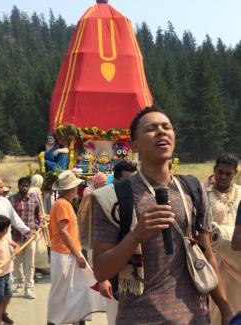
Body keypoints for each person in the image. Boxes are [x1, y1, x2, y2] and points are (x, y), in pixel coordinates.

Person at [92, 107, 232, 324]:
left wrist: (225, 310)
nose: (161, 132)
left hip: (195, 316)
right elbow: (101, 270)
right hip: (139, 317)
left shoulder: (192, 189)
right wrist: (135, 235)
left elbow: (206, 255)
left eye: (166, 127)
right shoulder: (113, 197)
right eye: (151, 129)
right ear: (136, 146)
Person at [47, 170, 106, 325]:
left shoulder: (63, 203)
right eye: (75, 187)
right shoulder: (62, 204)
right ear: (71, 188)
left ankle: (77, 319)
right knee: (61, 292)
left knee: (78, 289)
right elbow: (63, 232)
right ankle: (54, 321)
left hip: (67, 252)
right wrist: (77, 254)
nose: (77, 190)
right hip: (65, 253)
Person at [206, 153, 241, 324]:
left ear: (235, 173)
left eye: (228, 173)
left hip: (239, 259)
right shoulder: (204, 196)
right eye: (220, 172)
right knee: (218, 308)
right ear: (214, 170)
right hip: (217, 260)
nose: (223, 177)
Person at [9, 177, 42, 299]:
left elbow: (39, 216)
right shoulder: (11, 200)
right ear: (18, 186)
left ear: (29, 186)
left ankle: (28, 288)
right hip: (15, 237)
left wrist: (37, 227)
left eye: (27, 186)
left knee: (30, 264)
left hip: (30, 237)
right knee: (16, 263)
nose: (24, 188)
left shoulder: (34, 200)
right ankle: (20, 281)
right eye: (22, 185)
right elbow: (8, 218)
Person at [0, 215, 20, 325]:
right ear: (5, 229)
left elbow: (16, 245)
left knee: (8, 295)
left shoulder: (5, 238)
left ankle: (2, 314)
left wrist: (16, 248)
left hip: (6, 274)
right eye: (8, 228)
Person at [28, 174, 51, 275]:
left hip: (35, 221)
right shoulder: (35, 193)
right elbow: (36, 210)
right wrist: (42, 219)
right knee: (39, 246)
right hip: (36, 223)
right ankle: (39, 267)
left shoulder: (31, 191)